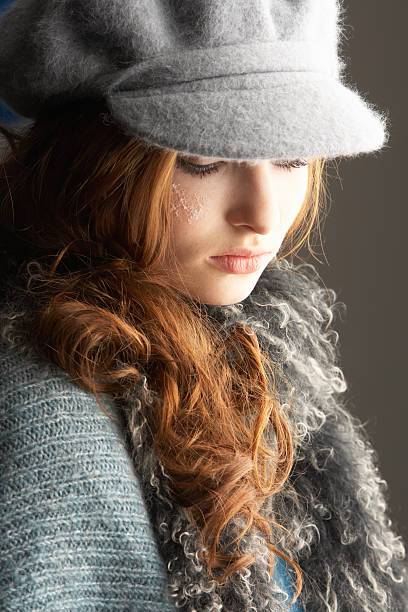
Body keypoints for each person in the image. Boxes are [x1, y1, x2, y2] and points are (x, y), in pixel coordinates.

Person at [0, 1, 406, 610]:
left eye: (292, 157)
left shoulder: (263, 358)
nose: (263, 215)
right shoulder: (51, 423)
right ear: (92, 161)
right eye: (204, 160)